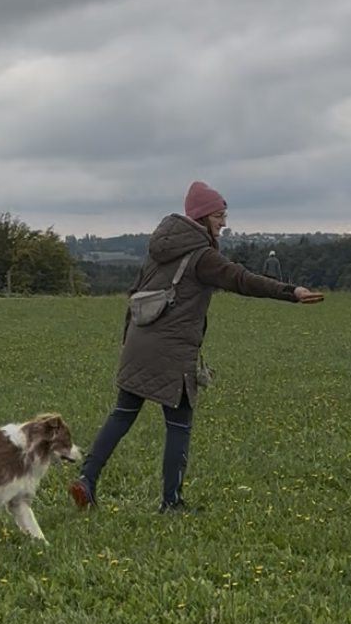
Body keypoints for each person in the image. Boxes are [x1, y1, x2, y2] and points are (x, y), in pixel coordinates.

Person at [69, 181, 323, 513]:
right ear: (202, 217)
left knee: (122, 414)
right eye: (219, 215)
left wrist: (126, 341)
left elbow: (134, 295)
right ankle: (171, 502)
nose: (224, 222)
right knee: (179, 425)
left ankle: (86, 478)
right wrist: (290, 292)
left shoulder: (157, 250)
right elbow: (242, 279)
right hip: (172, 353)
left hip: (138, 344)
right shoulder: (202, 256)